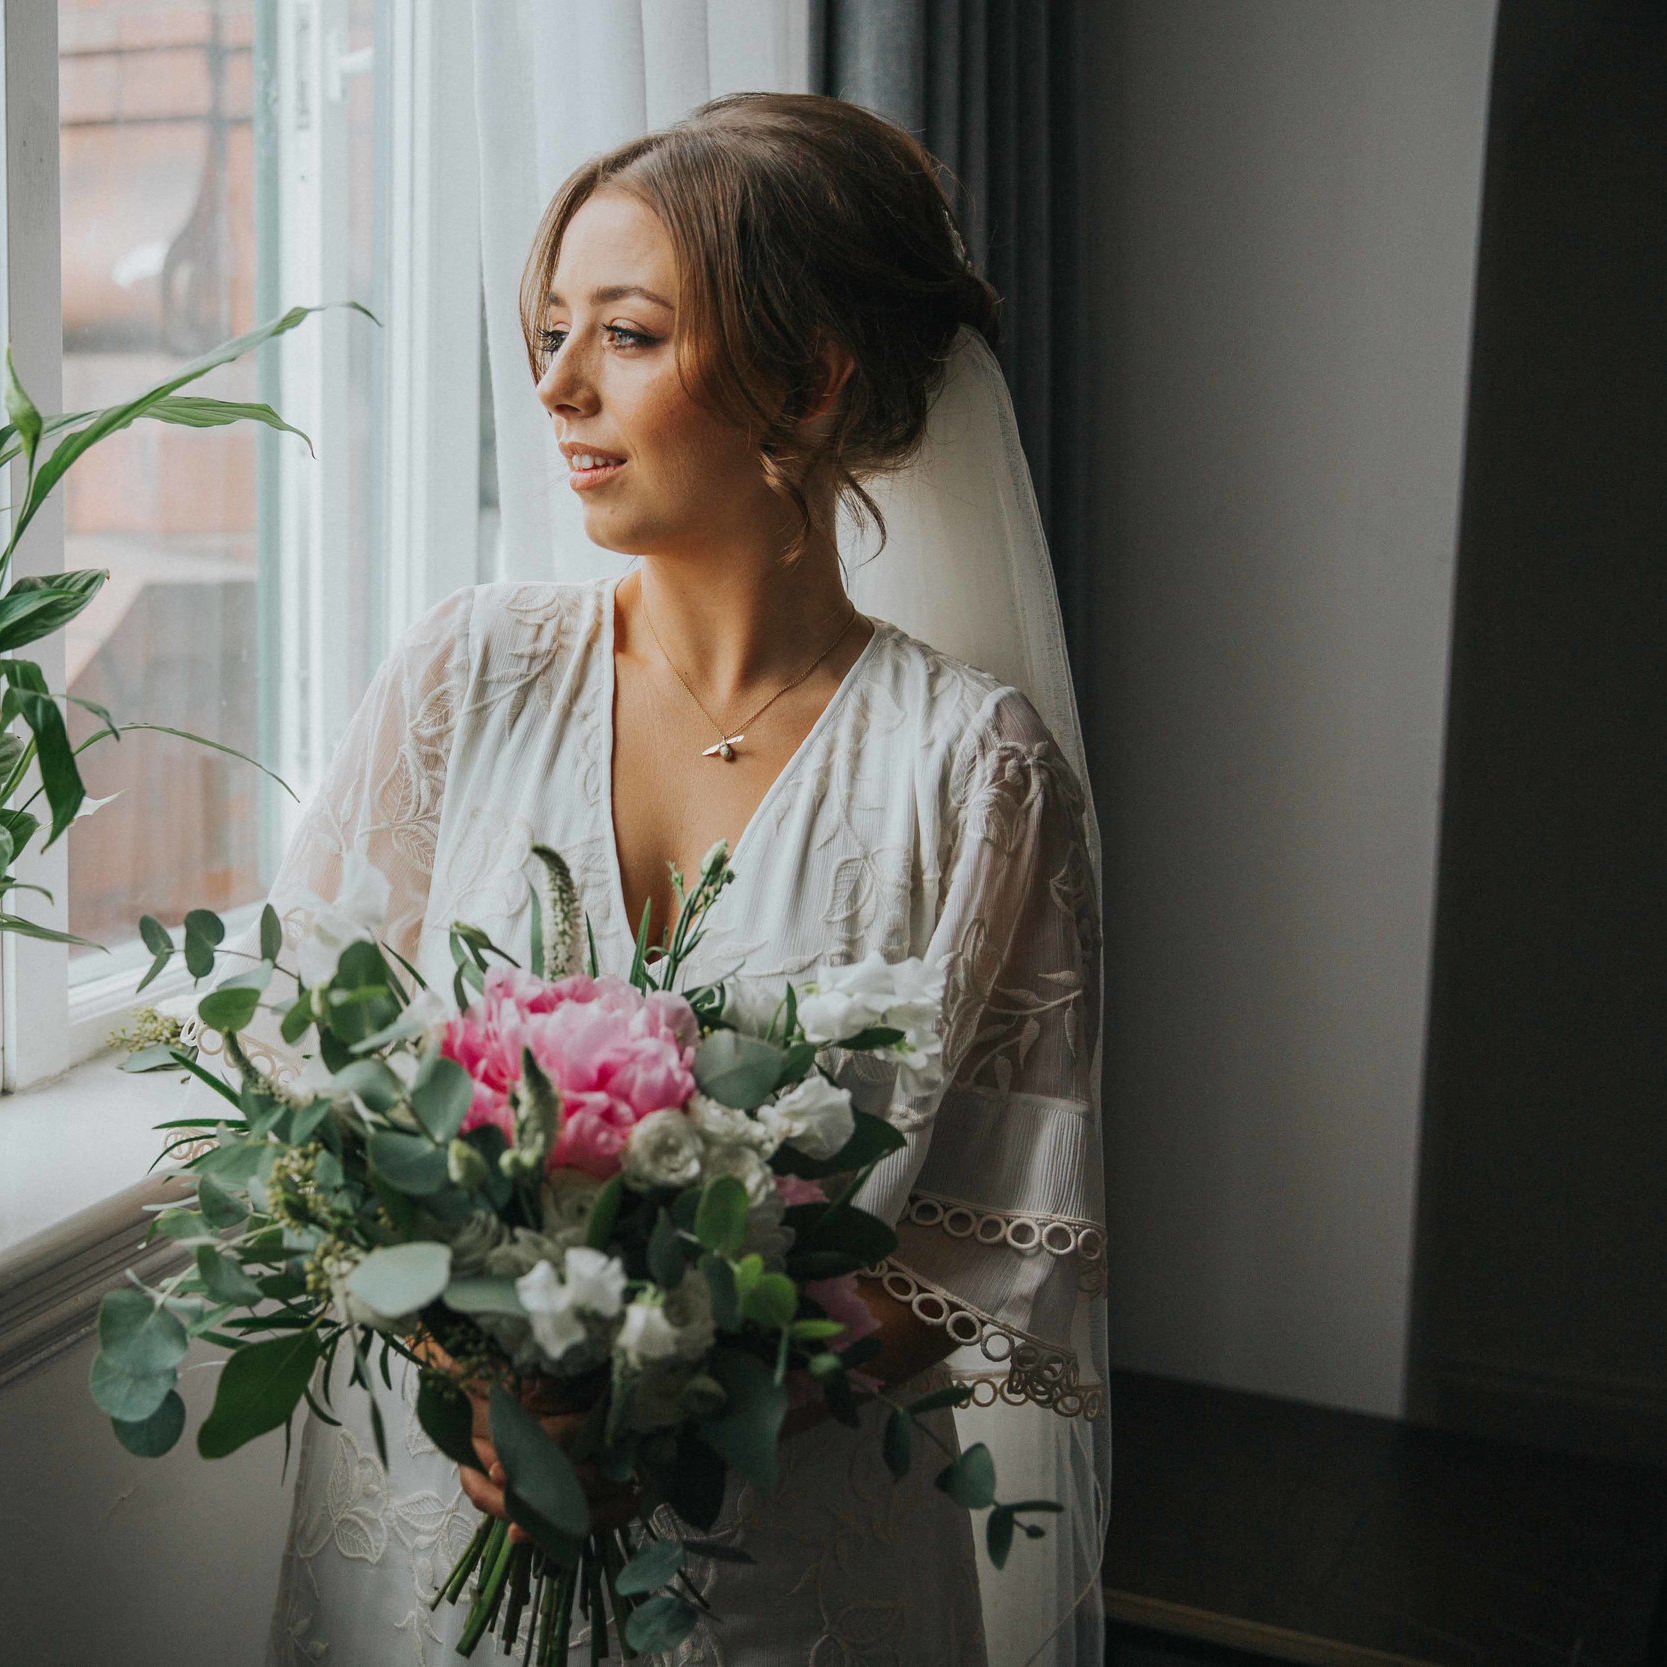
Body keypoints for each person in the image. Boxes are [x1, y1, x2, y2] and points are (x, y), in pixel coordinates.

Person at [261, 93, 1106, 1667]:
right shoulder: (468, 674)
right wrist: (491, 1376)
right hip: (448, 1517)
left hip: (786, 1570)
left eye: (629, 336)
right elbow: (311, 1073)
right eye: (553, 329)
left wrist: (664, 1403)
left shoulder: (974, 777)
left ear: (806, 375)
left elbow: (988, 1239)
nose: (558, 385)